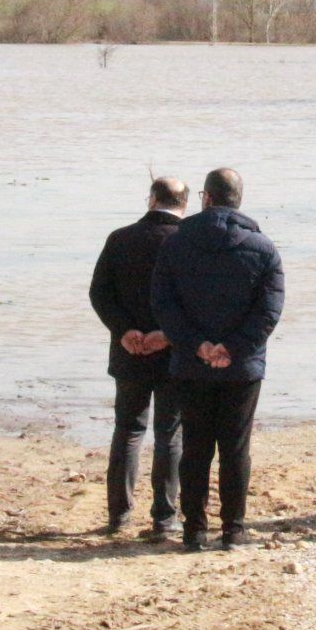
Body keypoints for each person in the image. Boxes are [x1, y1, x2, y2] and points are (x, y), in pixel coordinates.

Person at [150, 167, 284, 551]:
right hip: (241, 367)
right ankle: (234, 529)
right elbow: (269, 311)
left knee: (195, 446)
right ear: (238, 200)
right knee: (235, 447)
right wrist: (234, 348)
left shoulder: (176, 243)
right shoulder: (264, 247)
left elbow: (163, 303)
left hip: (192, 364)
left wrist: (197, 345)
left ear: (207, 198)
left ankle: (194, 530)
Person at [89, 176, 189, 538]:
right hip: (174, 351)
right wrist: (167, 335)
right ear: (185, 204)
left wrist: (124, 331)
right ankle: (164, 519)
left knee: (128, 430)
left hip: (128, 349)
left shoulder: (120, 238)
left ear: (151, 200)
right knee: (169, 432)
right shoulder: (188, 241)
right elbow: (193, 300)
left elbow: (99, 293)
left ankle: (118, 516)